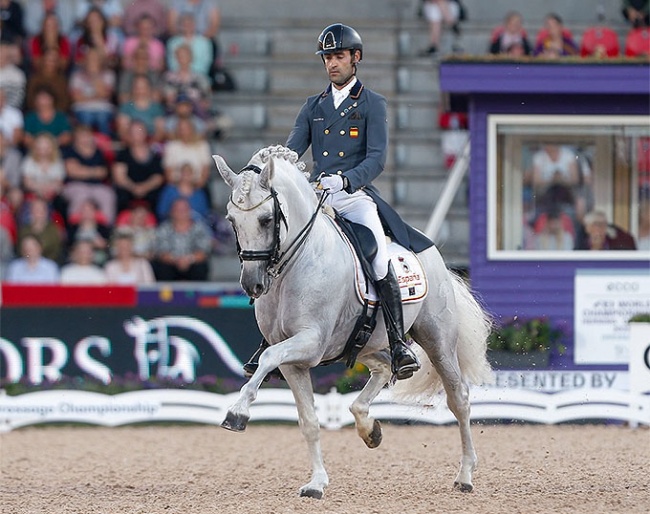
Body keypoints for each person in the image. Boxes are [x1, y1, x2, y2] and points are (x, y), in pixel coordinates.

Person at [244, 24, 431, 381]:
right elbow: (291, 150)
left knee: (377, 256)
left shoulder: (372, 104)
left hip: (354, 197)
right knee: (281, 251)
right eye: (328, 57)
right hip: (318, 197)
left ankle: (397, 342)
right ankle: (269, 338)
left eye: (339, 56)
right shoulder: (313, 106)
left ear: (355, 58)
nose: (332, 64)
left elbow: (376, 159)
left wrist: (346, 179)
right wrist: (266, 168)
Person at [61, 124, 116, 225]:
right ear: (75, 137)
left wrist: (83, 170)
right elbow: (73, 172)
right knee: (81, 195)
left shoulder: (98, 152)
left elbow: (103, 172)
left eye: (87, 135)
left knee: (108, 195)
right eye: (82, 136)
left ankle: (106, 228)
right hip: (74, 185)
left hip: (96, 186)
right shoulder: (69, 151)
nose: (85, 138)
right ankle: (74, 227)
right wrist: (94, 171)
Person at [112, 119, 165, 214]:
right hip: (128, 189)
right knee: (120, 195)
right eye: (133, 132)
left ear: (145, 133)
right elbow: (119, 177)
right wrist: (134, 188)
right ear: (129, 135)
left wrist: (144, 188)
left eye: (139, 131)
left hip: (149, 190)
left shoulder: (154, 153)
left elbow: (158, 178)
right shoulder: (123, 154)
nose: (137, 135)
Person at [151, 197, 211, 281]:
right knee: (162, 268)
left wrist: (188, 259)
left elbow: (203, 252)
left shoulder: (200, 228)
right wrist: (177, 260)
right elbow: (161, 253)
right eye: (177, 210)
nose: (181, 213)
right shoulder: (163, 228)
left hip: (192, 262)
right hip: (171, 263)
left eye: (183, 209)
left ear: (189, 211)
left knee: (201, 267)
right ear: (171, 212)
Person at [69, 47, 116, 136]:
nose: (92, 61)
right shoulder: (76, 75)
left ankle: (105, 145)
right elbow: (76, 98)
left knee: (102, 119)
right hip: (82, 108)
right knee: (86, 118)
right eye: (89, 58)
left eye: (95, 58)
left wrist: (94, 75)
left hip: (103, 108)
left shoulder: (108, 74)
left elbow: (105, 94)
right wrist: (96, 96)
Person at [162, 117, 211, 191]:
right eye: (181, 129)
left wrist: (194, 187)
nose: (183, 131)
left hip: (197, 186)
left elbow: (205, 170)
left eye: (186, 128)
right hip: (176, 187)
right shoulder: (171, 146)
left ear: (192, 129)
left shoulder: (202, 145)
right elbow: (168, 173)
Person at [116, 74, 166, 144]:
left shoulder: (157, 108)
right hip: (131, 144)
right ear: (132, 88)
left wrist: (149, 143)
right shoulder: (126, 107)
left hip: (151, 143)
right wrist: (135, 143)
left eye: (143, 87)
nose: (140, 91)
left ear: (149, 88)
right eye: (137, 87)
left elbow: (160, 131)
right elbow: (123, 131)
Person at [20, 133, 66, 207]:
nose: (43, 149)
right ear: (35, 148)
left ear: (52, 148)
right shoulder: (29, 161)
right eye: (40, 146)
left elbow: (59, 182)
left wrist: (49, 190)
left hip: (53, 195)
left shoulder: (57, 162)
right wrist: (40, 189)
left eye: (46, 147)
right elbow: (27, 182)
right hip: (33, 193)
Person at [17, 196, 64, 263]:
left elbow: (56, 251)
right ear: (31, 211)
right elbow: (21, 250)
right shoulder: (24, 230)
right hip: (27, 263)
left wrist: (43, 262)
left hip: (50, 264)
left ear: (46, 211)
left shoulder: (54, 229)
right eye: (35, 209)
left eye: (41, 209)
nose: (38, 213)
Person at [166, 13, 213, 78]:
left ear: (195, 25)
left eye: (190, 24)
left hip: (199, 76)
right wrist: (182, 74)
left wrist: (191, 74)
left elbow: (206, 62)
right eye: (184, 24)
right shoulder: (173, 42)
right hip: (177, 76)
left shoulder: (204, 42)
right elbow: (172, 62)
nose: (187, 26)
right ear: (180, 26)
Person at [25, 49, 72, 113]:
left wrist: (52, 113)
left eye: (53, 61)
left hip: (57, 114)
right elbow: (30, 99)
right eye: (48, 60)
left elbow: (65, 101)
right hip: (37, 114)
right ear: (43, 61)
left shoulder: (62, 80)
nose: (50, 63)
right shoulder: (34, 79)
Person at [66, 198, 111, 265]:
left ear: (95, 212)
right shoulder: (73, 228)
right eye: (84, 210)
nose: (86, 213)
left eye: (89, 210)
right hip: (76, 261)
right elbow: (68, 246)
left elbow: (109, 246)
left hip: (98, 262)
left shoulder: (103, 229)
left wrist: (103, 245)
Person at [0, 41, 26, 109]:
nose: (1, 55)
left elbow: (18, 98)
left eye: (3, 52)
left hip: (11, 111)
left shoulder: (18, 74)